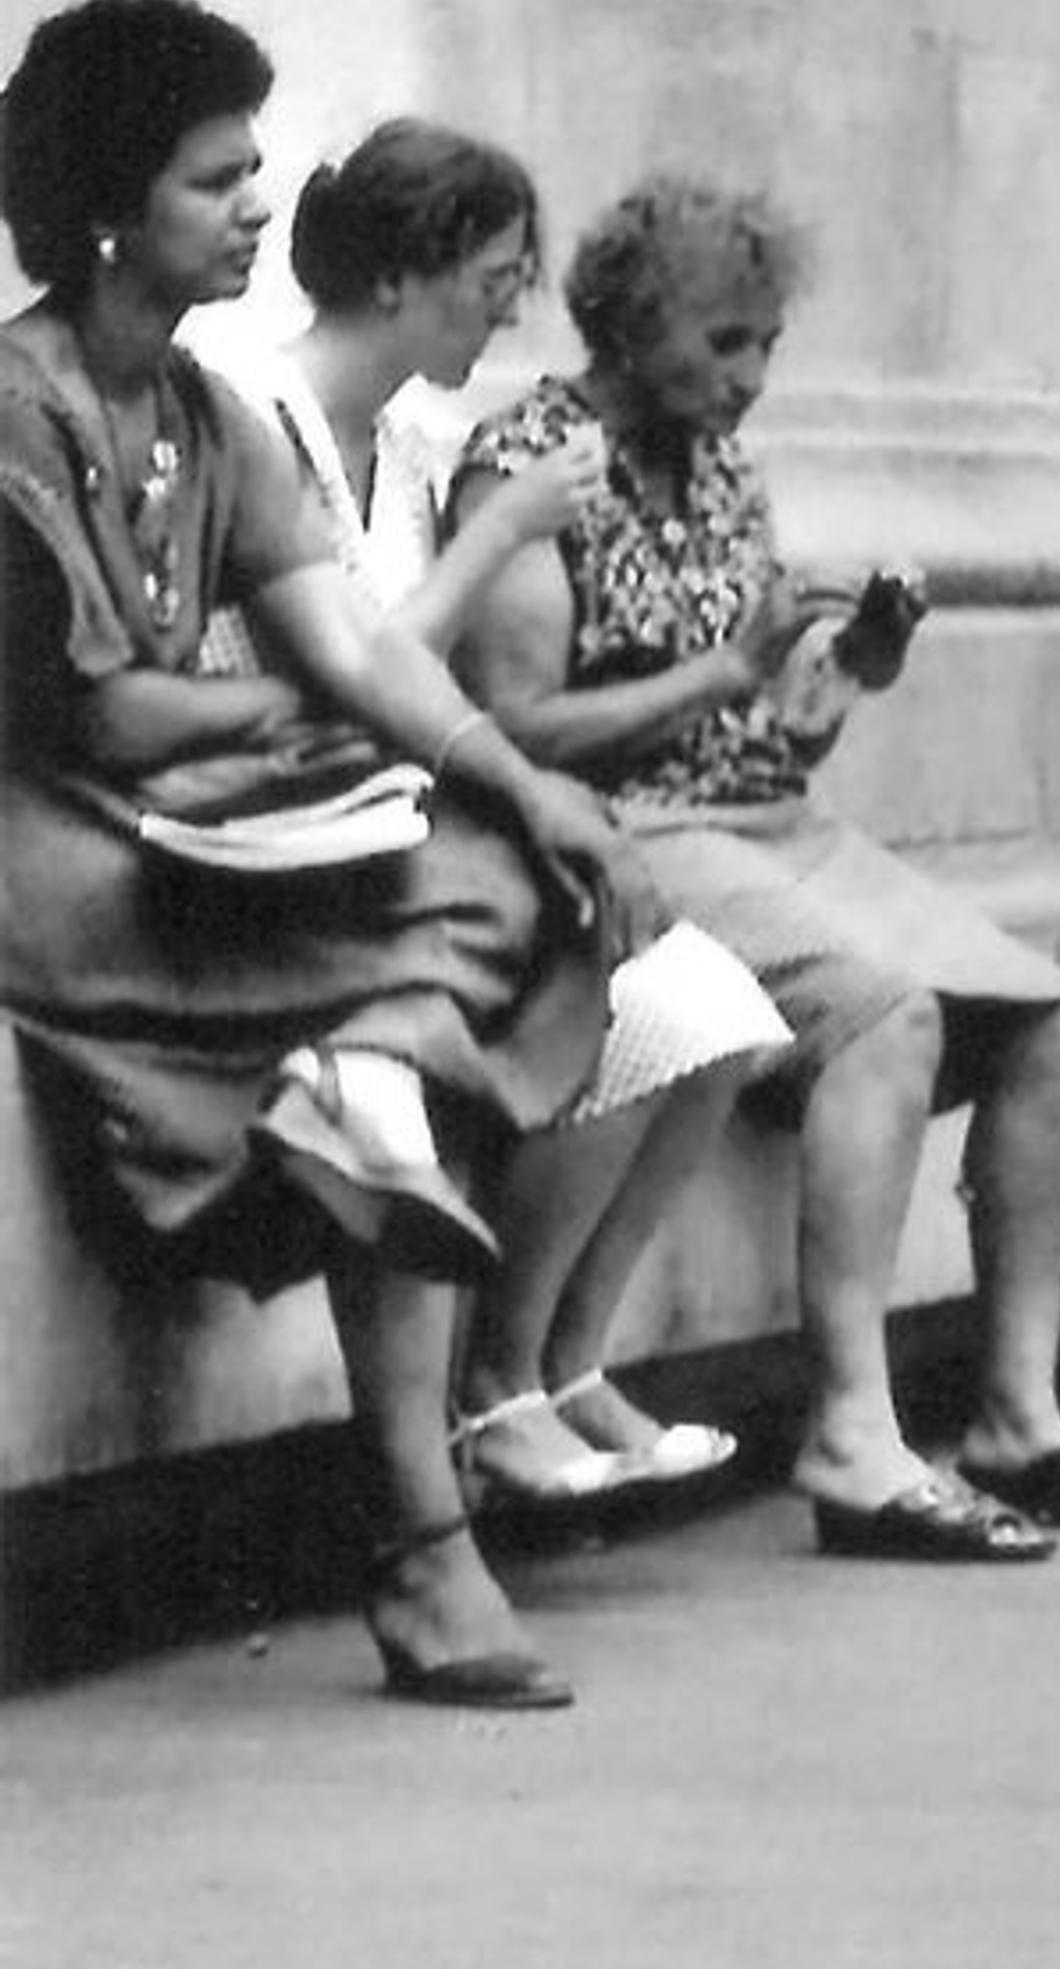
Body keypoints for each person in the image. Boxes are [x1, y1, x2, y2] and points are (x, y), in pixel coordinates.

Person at [0, 0, 656, 1710]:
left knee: (517, 864)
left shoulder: (204, 410)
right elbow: (107, 722)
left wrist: (516, 776)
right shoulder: (19, 406)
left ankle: (364, 1088)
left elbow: (357, 649)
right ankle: (425, 1556)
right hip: (61, 861)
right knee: (421, 973)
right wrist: (278, 733)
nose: (254, 203)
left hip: (191, 835)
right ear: (102, 202)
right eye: (216, 176)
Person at [456, 176, 1060, 1562]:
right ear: (636, 323)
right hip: (632, 828)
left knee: (1042, 1016)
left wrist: (846, 671)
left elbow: (771, 721)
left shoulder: (723, 464)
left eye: (765, 345)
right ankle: (852, 1435)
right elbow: (520, 722)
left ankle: (1021, 1411)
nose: (751, 378)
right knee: (884, 1011)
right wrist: (727, 668)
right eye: (724, 345)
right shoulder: (534, 457)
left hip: (766, 816)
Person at [209, 120, 789, 1510]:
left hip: (400, 824)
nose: (511, 308)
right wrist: (505, 531)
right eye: (492, 275)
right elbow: (351, 673)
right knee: (621, 968)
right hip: (289, 837)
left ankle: (555, 1370)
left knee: (712, 1014)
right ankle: (502, 1392)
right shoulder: (254, 407)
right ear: (402, 278)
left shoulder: (413, 439)